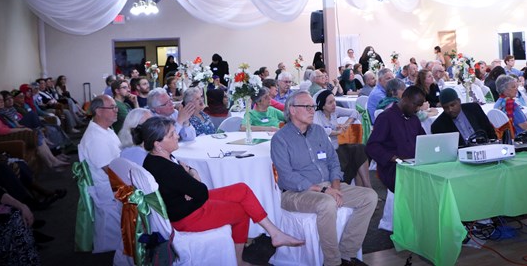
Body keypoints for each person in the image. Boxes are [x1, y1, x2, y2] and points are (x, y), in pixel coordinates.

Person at [138, 116, 304, 266]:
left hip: (186, 205)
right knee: (241, 211)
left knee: (242, 189)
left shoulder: (155, 159)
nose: (177, 136)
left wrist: (189, 179)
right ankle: (239, 260)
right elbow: (201, 192)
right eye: (171, 135)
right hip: (187, 216)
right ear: (158, 144)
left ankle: (275, 233)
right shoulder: (166, 169)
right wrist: (193, 175)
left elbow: (192, 186)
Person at [271, 91, 378, 266]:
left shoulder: (319, 131)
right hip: (296, 193)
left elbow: (333, 161)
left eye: (313, 106)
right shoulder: (280, 139)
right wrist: (323, 190)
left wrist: (335, 186)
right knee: (327, 203)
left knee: (370, 196)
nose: (312, 110)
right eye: (307, 107)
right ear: (292, 110)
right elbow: (287, 177)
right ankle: (332, 261)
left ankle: (347, 254)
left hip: (328, 185)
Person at [78, 95, 122, 253]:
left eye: (116, 107)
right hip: (109, 188)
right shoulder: (95, 138)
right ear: (98, 111)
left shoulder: (104, 129)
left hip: (113, 181)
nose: (116, 110)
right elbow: (111, 171)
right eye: (112, 107)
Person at [0, 93, 68, 169]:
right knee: (36, 133)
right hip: (2, 138)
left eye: (2, 100)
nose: (2, 102)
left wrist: (19, 127)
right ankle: (51, 162)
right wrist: (21, 129)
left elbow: (12, 122)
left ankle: (52, 160)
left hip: (7, 134)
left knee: (38, 133)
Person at [366, 86, 427, 192]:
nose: (417, 109)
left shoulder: (414, 119)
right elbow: (372, 146)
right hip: (393, 167)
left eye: (419, 106)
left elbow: (424, 141)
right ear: (405, 99)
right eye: (415, 105)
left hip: (413, 164)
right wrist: (394, 158)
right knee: (423, 182)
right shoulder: (386, 117)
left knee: (435, 177)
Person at [313, 90, 370, 188]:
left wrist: (346, 124)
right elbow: (321, 131)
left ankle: (366, 186)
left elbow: (354, 112)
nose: (334, 104)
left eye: (334, 101)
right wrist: (337, 132)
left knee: (360, 149)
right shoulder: (317, 115)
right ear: (323, 106)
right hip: (326, 153)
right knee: (353, 158)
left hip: (337, 147)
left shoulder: (335, 111)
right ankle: (360, 189)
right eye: (330, 103)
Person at [431, 88, 496, 147]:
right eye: (446, 107)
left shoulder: (474, 109)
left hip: (485, 147)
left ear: (459, 101)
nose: (450, 109)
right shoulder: (438, 126)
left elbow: (490, 131)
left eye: (452, 105)